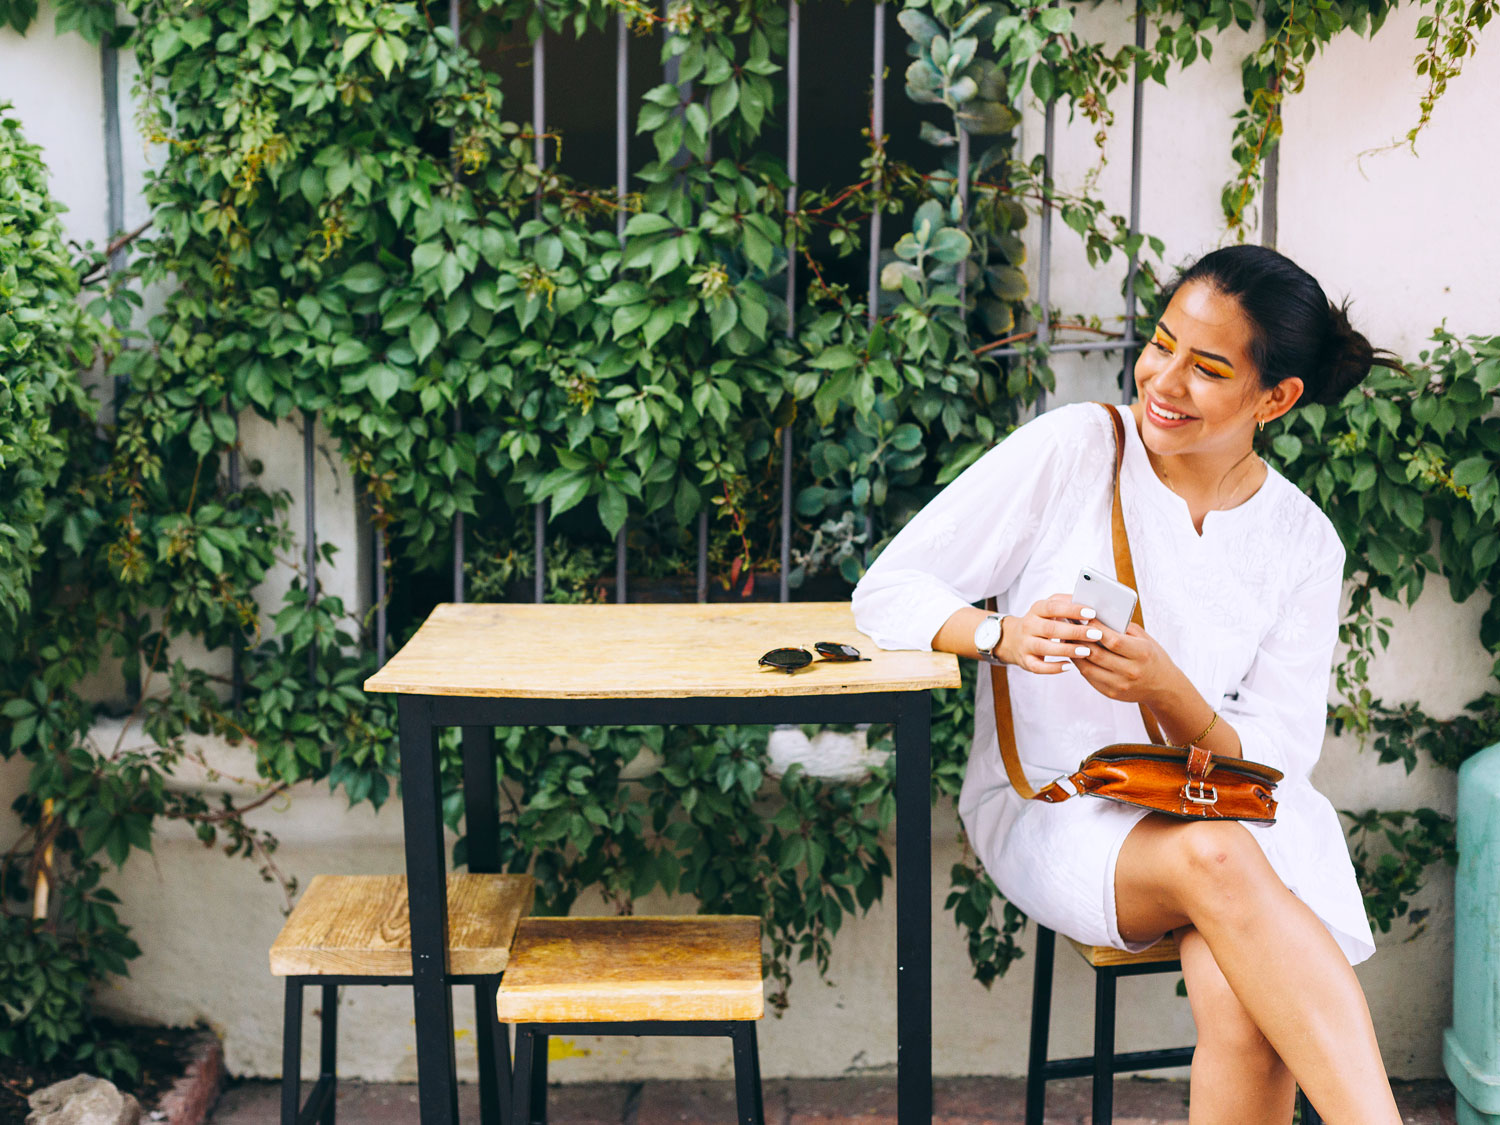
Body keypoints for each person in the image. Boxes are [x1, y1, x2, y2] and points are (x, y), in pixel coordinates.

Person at [852, 244, 1402, 1124]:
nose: (1165, 379)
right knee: (1216, 858)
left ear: (1277, 397)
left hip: (1231, 811)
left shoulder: (1303, 541)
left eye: (1208, 367)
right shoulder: (1078, 449)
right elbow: (887, 590)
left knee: (1245, 1002)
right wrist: (1003, 633)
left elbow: (1275, 763)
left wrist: (1167, 686)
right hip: (1062, 807)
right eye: (1161, 343)